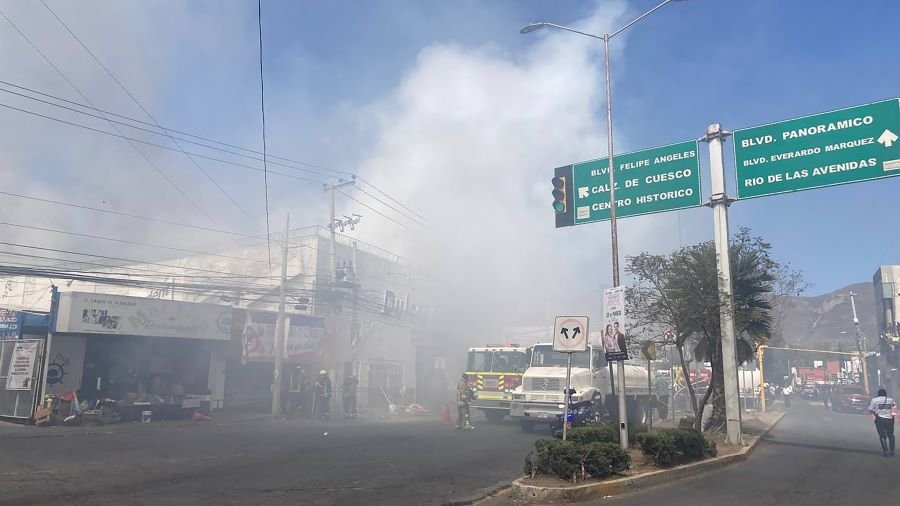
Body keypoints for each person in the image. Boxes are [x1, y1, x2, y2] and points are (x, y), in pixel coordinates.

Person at [869, 388, 896, 457]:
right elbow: (894, 407)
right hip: (890, 419)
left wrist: (875, 412)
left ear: (878, 394)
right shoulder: (890, 400)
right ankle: (892, 451)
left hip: (880, 419)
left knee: (882, 436)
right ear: (885, 394)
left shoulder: (874, 400)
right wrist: (893, 414)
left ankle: (886, 452)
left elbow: (870, 409)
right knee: (891, 435)